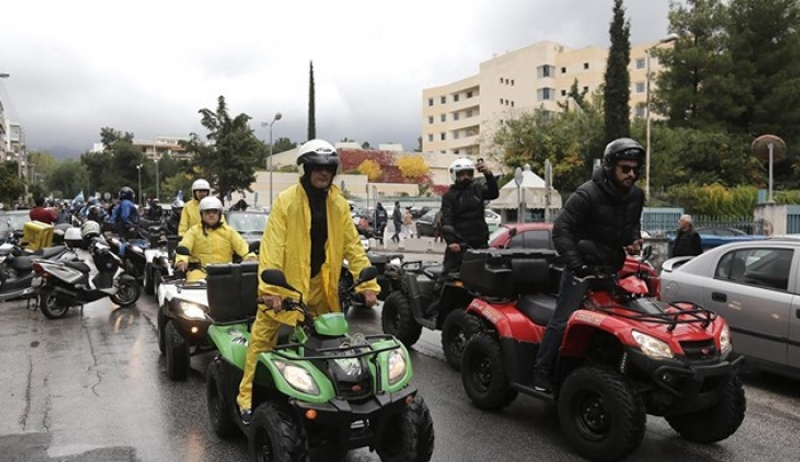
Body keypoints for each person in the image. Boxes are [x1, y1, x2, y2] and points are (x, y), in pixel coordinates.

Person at [237, 139, 380, 424]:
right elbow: (273, 246)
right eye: (317, 166)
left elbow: (353, 245)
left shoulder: (338, 204)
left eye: (328, 168)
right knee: (263, 341)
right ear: (306, 168)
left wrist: (366, 285)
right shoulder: (286, 201)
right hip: (284, 286)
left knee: (332, 343)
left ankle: (328, 399)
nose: (323, 173)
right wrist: (271, 291)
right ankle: (246, 399)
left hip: (320, 286)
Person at [532, 138, 646, 393]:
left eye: (635, 169)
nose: (631, 174)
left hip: (610, 267)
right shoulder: (586, 194)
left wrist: (633, 240)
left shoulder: (636, 195)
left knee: (619, 320)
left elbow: (631, 225)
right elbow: (561, 230)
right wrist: (577, 265)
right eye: (625, 168)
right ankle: (542, 370)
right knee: (562, 320)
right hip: (581, 269)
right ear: (609, 166)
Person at [434, 157, 499, 301]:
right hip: (459, 244)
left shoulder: (478, 189)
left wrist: (488, 174)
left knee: (486, 278)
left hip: (480, 243)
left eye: (468, 173)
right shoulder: (449, 196)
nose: (466, 177)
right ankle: (435, 309)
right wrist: (451, 241)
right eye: (462, 174)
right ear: (455, 175)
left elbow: (494, 193)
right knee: (447, 277)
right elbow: (447, 219)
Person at [175, 196, 256, 282]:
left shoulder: (229, 231)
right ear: (202, 214)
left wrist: (250, 257)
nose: (211, 214)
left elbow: (242, 245)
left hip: (226, 272)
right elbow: (184, 245)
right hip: (200, 272)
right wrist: (181, 260)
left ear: (219, 214)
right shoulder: (193, 231)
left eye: (214, 212)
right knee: (193, 282)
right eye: (207, 212)